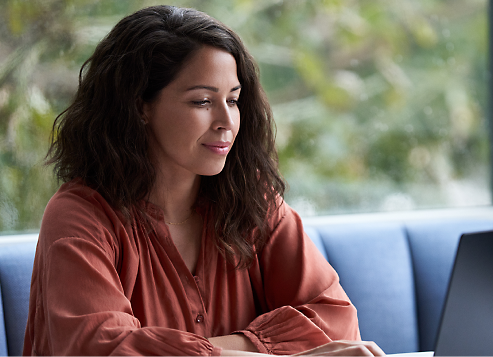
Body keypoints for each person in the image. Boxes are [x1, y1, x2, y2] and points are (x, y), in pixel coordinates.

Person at [23, 5, 385, 357]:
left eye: (233, 99)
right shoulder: (79, 217)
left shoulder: (251, 199)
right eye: (201, 101)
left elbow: (337, 321)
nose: (226, 121)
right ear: (139, 106)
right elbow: (103, 349)